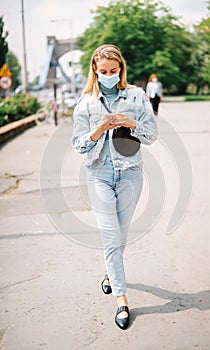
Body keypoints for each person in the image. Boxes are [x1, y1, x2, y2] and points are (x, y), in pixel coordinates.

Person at [72, 44, 157, 330]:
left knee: (120, 236)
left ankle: (110, 275)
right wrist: (98, 131)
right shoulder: (85, 102)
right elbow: (78, 145)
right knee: (111, 237)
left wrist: (131, 123)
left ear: (120, 68)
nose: (109, 75)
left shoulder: (137, 95)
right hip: (99, 175)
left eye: (114, 70)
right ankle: (122, 300)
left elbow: (151, 135)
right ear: (95, 71)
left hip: (131, 173)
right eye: (103, 71)